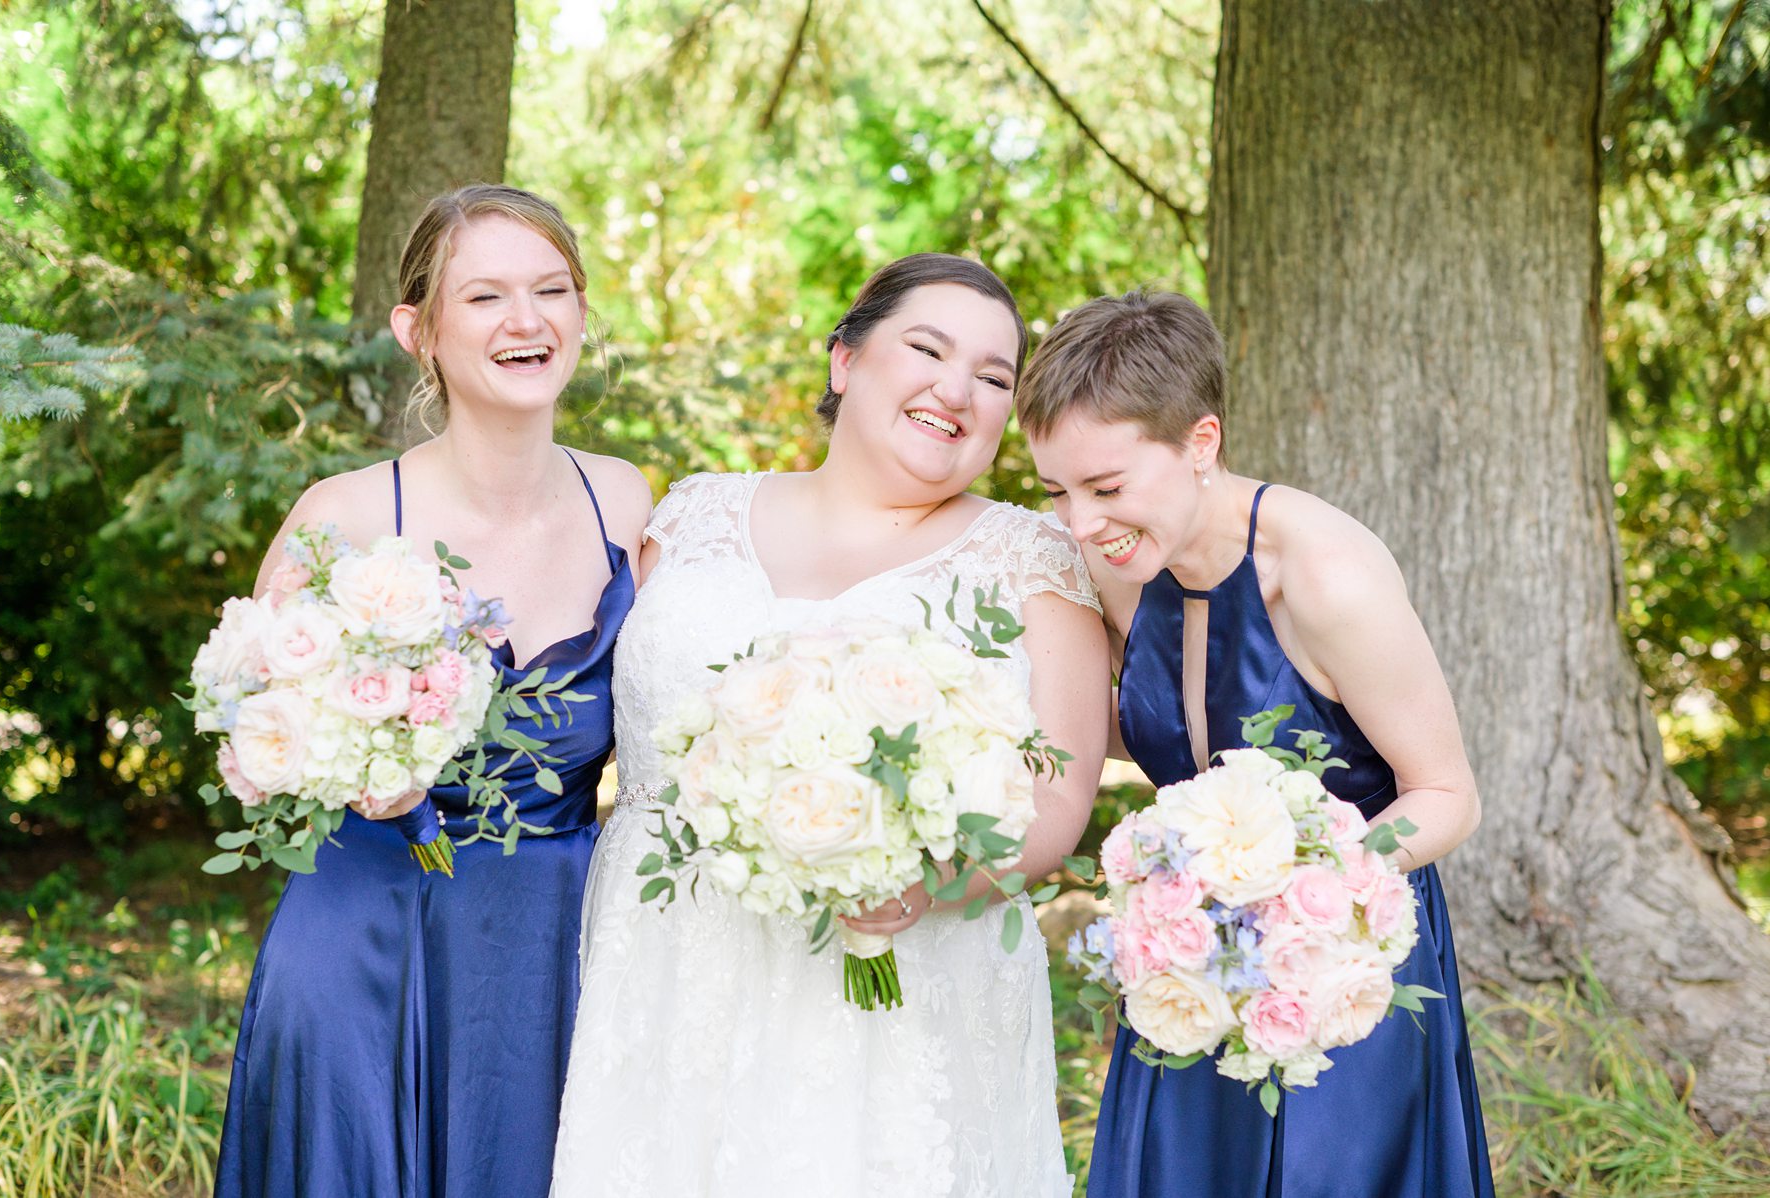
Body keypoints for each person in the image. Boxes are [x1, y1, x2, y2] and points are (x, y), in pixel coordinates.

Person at [550, 253, 1110, 1197]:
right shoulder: (690, 516)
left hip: (904, 974)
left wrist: (926, 883)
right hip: (670, 969)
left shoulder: (1031, 560)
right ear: (845, 359)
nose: (957, 389)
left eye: (994, 377)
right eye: (927, 348)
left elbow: (1057, 798)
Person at [214, 184, 650, 1198]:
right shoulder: (347, 515)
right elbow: (247, 734)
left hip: (556, 943)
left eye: (552, 289)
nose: (527, 320)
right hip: (370, 943)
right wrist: (348, 765)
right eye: (486, 296)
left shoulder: (625, 499)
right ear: (420, 328)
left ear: (582, 311)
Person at [1020, 290, 1493, 1198]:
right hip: (1185, 963)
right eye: (1058, 491)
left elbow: (1445, 793)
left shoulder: (1327, 576)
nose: (1080, 523)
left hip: (1340, 967)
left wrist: (1299, 891)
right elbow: (1160, 730)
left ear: (1202, 444)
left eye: (1106, 487)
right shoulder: (1124, 559)